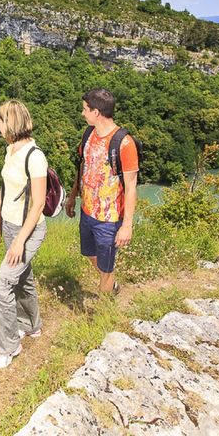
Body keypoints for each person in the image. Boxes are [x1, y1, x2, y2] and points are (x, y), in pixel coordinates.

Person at [0, 100, 48, 369]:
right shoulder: (10, 149)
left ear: (11, 123)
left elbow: (37, 204)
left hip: (29, 230)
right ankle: (31, 325)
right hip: (11, 225)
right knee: (22, 279)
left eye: (1, 120)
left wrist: (20, 241)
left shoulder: (35, 157)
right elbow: (5, 186)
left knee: (1, 286)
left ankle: (9, 346)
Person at [64, 88, 138, 296]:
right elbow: (83, 166)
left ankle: (104, 313)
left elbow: (131, 187)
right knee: (88, 253)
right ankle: (111, 282)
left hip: (109, 218)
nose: (82, 113)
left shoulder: (124, 143)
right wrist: (72, 196)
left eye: (85, 109)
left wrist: (127, 226)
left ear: (96, 112)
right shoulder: (88, 134)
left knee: (105, 270)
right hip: (87, 212)